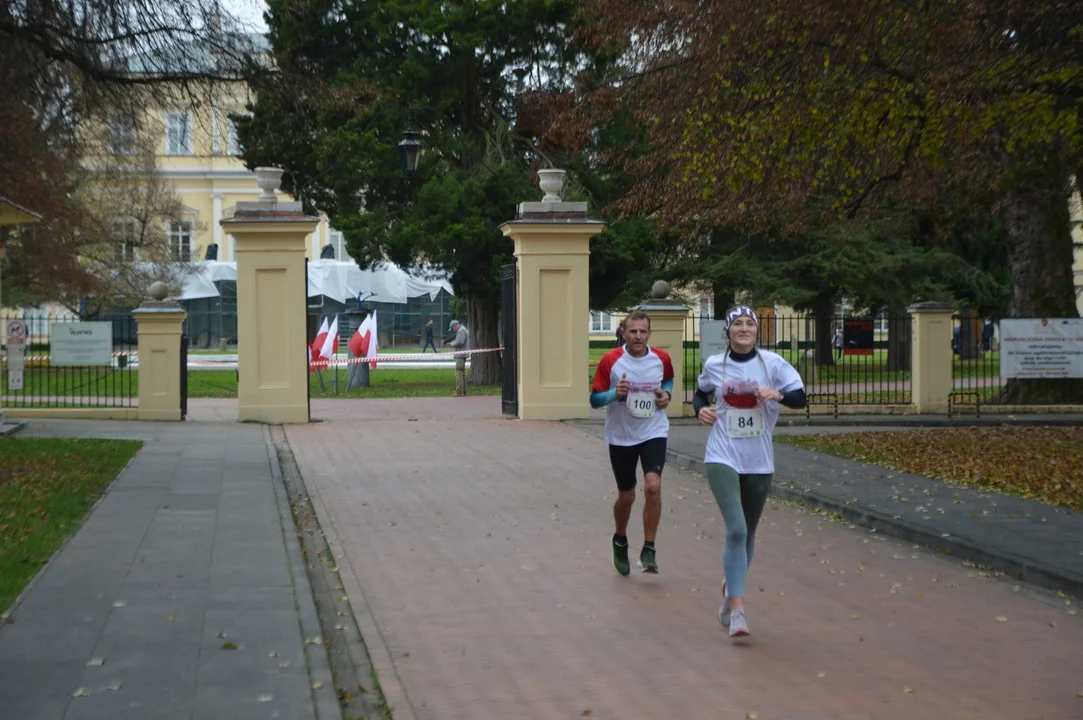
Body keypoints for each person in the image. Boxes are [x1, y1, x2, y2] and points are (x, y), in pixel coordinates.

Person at [693, 305, 806, 638]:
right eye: (737, 324)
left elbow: (801, 398)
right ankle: (739, 610)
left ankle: (730, 592)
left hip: (759, 459)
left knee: (750, 532)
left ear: (757, 331)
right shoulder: (715, 365)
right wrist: (702, 410)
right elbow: (699, 393)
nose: (744, 329)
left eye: (749, 324)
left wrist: (779, 394)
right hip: (722, 454)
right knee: (737, 529)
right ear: (727, 332)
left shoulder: (772, 364)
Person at [590, 311, 674, 576]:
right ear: (624, 333)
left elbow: (668, 380)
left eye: (643, 331)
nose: (638, 336)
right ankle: (620, 539)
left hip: (654, 430)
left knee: (653, 487)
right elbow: (594, 400)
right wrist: (616, 393)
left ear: (649, 333)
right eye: (633, 331)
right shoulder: (611, 360)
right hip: (622, 436)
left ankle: (649, 549)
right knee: (627, 496)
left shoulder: (661, 358)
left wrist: (666, 395)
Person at [445, 319, 469, 396]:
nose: (453, 330)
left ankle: (459, 391)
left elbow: (459, 342)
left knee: (458, 372)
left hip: (460, 354)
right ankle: (464, 391)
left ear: (455, 326)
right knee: (462, 373)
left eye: (452, 328)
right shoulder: (463, 329)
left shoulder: (461, 330)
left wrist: (451, 344)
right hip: (463, 354)